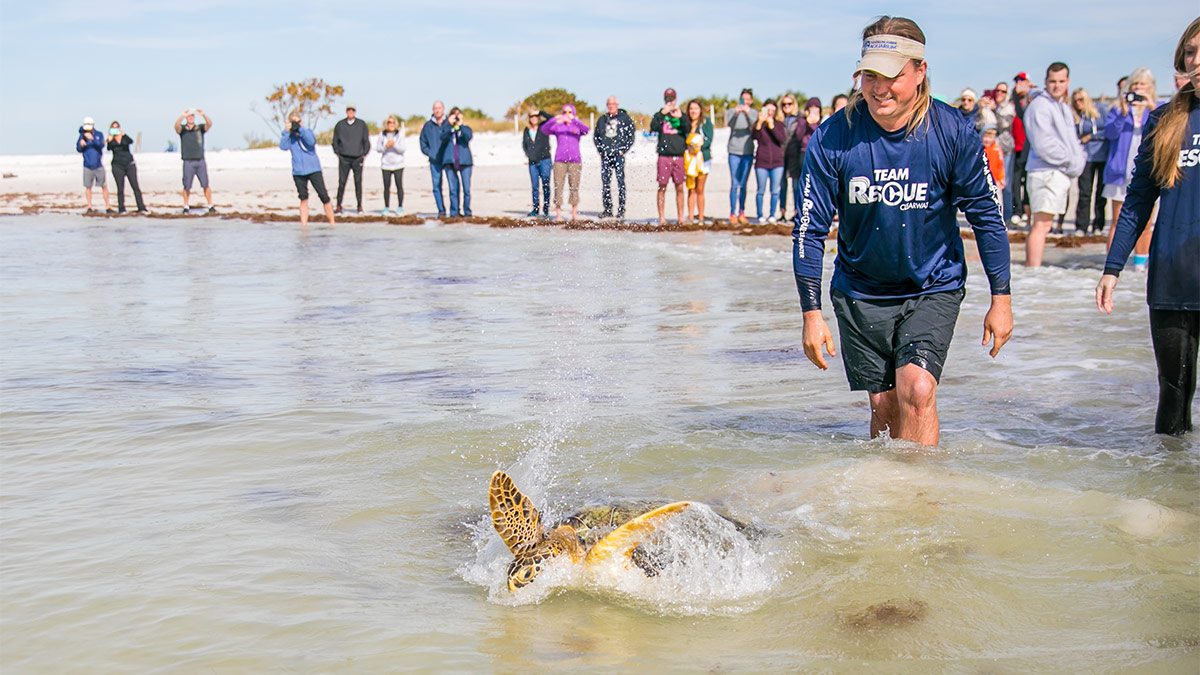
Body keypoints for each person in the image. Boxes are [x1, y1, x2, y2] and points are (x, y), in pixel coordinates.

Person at [793, 16, 1012, 446]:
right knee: (885, 406)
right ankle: (890, 504)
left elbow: (987, 215)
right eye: (869, 75)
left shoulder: (953, 131)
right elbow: (808, 229)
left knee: (917, 389)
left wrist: (1001, 298)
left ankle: (923, 501)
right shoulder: (833, 137)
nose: (878, 89)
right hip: (860, 290)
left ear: (919, 71)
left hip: (933, 284)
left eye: (891, 76)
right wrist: (811, 313)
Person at [1096, 18, 1199, 436]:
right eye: (1190, 52)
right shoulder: (1164, 120)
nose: (1197, 59)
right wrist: (1112, 268)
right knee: (1174, 398)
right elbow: (1137, 201)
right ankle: (1166, 487)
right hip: (1173, 279)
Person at [1023, 62, 1085, 266]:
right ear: (1045, 82)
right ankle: (1033, 271)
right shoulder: (1039, 106)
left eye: (1061, 81)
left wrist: (1078, 159)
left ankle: (1035, 270)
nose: (1057, 85)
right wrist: (1071, 161)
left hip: (1058, 172)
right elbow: (1043, 144)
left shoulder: (1063, 106)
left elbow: (1071, 139)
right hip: (1045, 172)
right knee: (1041, 224)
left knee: (1045, 224)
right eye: (1052, 81)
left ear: (1067, 82)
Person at [1104, 68, 1158, 270]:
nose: (1138, 89)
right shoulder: (1117, 109)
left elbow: (1159, 133)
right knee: (1117, 220)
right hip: (1119, 171)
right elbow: (1110, 133)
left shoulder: (1157, 108)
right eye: (1135, 84)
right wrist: (1124, 111)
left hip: (1147, 171)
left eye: (1142, 85)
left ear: (1150, 88)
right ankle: (1110, 265)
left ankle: (1140, 265)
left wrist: (1149, 107)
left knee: (1145, 222)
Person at [279, 111, 335, 228]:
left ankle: (332, 224)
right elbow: (283, 146)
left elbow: (311, 142)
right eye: (294, 122)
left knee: (324, 196)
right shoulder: (290, 137)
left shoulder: (307, 132)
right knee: (303, 198)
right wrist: (286, 131)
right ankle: (304, 227)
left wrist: (300, 129)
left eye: (298, 121)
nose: (296, 124)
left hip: (314, 169)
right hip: (298, 171)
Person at [539, 103, 590, 222]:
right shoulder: (558, 127)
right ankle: (558, 214)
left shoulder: (577, 126)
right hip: (559, 161)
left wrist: (574, 120)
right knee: (558, 187)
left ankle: (574, 213)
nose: (567, 114)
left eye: (569, 112)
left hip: (575, 161)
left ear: (573, 114)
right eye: (564, 112)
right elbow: (544, 129)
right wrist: (555, 119)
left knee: (574, 187)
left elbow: (586, 130)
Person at [651, 88, 691, 225]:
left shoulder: (681, 115)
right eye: (667, 99)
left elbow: (688, 129)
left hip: (679, 155)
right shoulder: (660, 114)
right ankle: (662, 217)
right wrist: (662, 114)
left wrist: (681, 118)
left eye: (671, 99)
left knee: (680, 187)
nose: (670, 101)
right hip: (664, 156)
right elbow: (653, 127)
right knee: (662, 186)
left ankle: (680, 217)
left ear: (675, 99)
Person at [1071, 88, 1108, 235]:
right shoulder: (1074, 116)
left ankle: (1098, 225)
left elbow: (1109, 131)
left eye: (1081, 100)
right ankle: (1081, 226)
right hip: (1085, 158)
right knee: (1085, 192)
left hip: (1102, 156)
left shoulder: (1100, 111)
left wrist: (1092, 136)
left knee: (1101, 193)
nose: (1078, 103)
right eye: (1075, 101)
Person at [594, 96, 635, 219]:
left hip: (618, 155)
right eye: (609, 104)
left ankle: (621, 209)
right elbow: (596, 136)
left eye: (613, 104)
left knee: (620, 182)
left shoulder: (625, 118)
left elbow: (631, 135)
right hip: (605, 155)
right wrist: (600, 150)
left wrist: (624, 150)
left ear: (617, 105)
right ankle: (607, 209)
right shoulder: (602, 119)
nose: (611, 106)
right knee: (606, 183)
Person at [784, 98, 821, 219]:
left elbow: (822, 137)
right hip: (804, 152)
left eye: (816, 108)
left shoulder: (823, 122)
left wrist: (815, 124)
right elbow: (799, 137)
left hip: (819, 154)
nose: (814, 110)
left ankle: (815, 212)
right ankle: (798, 210)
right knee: (802, 183)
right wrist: (807, 123)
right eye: (811, 108)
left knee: (817, 184)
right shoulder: (802, 121)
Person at [725, 88, 758, 225]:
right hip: (734, 151)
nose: (745, 102)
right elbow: (730, 124)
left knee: (744, 184)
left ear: (751, 101)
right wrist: (737, 113)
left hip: (748, 151)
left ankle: (741, 212)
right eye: (743, 99)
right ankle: (732, 212)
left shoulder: (754, 113)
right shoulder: (732, 112)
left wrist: (746, 111)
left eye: (748, 99)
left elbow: (754, 125)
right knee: (734, 183)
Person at [174, 108, 215, 214]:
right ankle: (186, 206)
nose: (191, 117)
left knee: (205, 184)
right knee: (187, 185)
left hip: (200, 160)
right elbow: (176, 127)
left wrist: (204, 115)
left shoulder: (199, 128)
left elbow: (209, 124)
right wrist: (182, 116)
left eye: (192, 116)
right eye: (189, 116)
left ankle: (210, 205)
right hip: (188, 161)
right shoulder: (183, 129)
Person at [752, 99, 786, 224]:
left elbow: (782, 139)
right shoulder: (759, 124)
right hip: (761, 162)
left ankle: (772, 215)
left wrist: (772, 127)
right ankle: (760, 215)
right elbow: (754, 137)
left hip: (777, 163)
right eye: (768, 110)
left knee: (775, 191)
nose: (770, 113)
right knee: (760, 190)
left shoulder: (779, 124)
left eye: (773, 110)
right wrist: (760, 123)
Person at [332, 104, 370, 215]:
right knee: (342, 182)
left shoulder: (361, 124)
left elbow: (366, 140)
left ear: (355, 112)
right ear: (346, 112)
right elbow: (335, 140)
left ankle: (359, 206)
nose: (350, 112)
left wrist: (364, 154)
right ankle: (338, 206)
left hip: (358, 158)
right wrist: (338, 152)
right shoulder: (340, 125)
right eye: (349, 110)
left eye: (352, 110)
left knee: (358, 183)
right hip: (344, 158)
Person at [438, 107, 473, 217]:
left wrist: (460, 125)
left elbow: (468, 137)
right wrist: (450, 125)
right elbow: (442, 137)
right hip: (450, 162)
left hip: (465, 162)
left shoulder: (465, 128)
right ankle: (454, 212)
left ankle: (467, 211)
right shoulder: (446, 129)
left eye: (458, 115)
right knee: (453, 189)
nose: (456, 117)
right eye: (454, 115)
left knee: (466, 189)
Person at [106, 120, 146, 214]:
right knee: (120, 188)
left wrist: (123, 134)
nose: (115, 130)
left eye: (117, 128)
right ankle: (121, 208)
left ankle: (141, 207)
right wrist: (110, 139)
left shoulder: (124, 137)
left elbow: (130, 141)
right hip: (117, 165)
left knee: (135, 186)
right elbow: (108, 148)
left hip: (129, 164)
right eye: (113, 128)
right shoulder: (111, 140)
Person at [684, 99, 713, 223]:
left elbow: (709, 139)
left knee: (700, 189)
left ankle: (700, 217)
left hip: (703, 159)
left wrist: (697, 147)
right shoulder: (686, 123)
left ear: (700, 110)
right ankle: (690, 217)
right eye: (691, 109)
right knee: (691, 189)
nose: (693, 111)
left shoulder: (706, 123)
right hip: (689, 160)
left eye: (696, 108)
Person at [992, 81, 1017, 224]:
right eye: (998, 91)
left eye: (1003, 91)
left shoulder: (1008, 108)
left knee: (1005, 183)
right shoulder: (992, 107)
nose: (1000, 94)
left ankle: (1007, 215)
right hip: (991, 150)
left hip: (1005, 150)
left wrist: (994, 110)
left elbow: (1004, 124)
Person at [76, 116, 113, 214]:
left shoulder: (98, 134)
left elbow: (101, 145)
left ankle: (107, 206)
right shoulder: (82, 135)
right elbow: (79, 149)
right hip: (87, 165)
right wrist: (81, 144)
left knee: (103, 185)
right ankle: (89, 206)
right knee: (88, 187)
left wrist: (92, 139)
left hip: (98, 165)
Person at [419, 101, 449, 217]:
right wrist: (430, 153)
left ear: (443, 109)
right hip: (434, 161)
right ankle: (441, 210)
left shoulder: (448, 123)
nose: (437, 110)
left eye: (439, 108)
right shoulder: (428, 126)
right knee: (436, 187)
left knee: (453, 186)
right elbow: (422, 142)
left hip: (448, 160)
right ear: (433, 110)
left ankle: (454, 210)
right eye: (435, 108)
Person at [522, 110, 553, 217]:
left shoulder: (544, 127)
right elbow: (524, 144)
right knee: (535, 186)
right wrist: (528, 154)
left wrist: (541, 112)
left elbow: (552, 119)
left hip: (545, 160)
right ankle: (535, 209)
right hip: (533, 162)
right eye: (532, 116)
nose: (534, 118)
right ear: (529, 118)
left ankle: (546, 208)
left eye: (536, 116)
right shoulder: (527, 130)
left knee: (545, 184)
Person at [375, 115, 406, 216]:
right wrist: (386, 146)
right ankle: (386, 207)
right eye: (389, 122)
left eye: (393, 122)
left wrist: (394, 145)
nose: (391, 124)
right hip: (386, 165)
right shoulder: (382, 135)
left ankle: (400, 207)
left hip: (398, 164)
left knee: (399, 186)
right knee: (386, 187)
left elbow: (403, 149)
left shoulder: (400, 134)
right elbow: (378, 148)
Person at [981, 124, 1006, 192]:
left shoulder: (997, 149)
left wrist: (1001, 178)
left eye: (990, 137)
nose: (987, 140)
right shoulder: (980, 149)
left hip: (995, 180)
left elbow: (1000, 165)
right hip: (982, 180)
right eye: (985, 137)